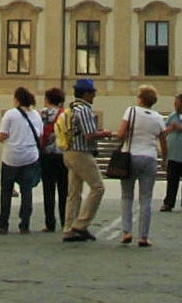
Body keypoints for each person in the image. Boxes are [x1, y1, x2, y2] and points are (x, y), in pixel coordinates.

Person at [113, 84, 168, 247]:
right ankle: (143, 236)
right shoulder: (158, 117)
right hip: (149, 157)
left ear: (140, 98)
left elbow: (121, 133)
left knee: (127, 196)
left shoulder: (131, 111)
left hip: (130, 157)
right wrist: (164, 159)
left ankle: (127, 231)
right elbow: (163, 141)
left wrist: (122, 140)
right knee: (146, 198)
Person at [0, 87, 45, 233]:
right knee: (27, 191)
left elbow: (1, 136)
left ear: (17, 99)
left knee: (6, 191)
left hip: (11, 157)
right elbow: (40, 137)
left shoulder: (10, 114)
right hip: (30, 156)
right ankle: (24, 225)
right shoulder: (36, 116)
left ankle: (3, 224)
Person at [58, 78, 106, 242]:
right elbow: (89, 135)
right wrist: (104, 134)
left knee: (74, 192)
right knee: (98, 187)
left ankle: (69, 229)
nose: (94, 96)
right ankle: (81, 224)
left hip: (68, 152)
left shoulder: (71, 109)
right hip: (81, 152)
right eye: (92, 93)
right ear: (86, 94)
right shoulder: (84, 110)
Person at [36, 87, 68, 233]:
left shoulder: (42, 114)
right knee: (63, 190)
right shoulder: (66, 114)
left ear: (47, 99)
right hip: (62, 154)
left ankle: (50, 223)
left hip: (47, 155)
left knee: (48, 190)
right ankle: (65, 221)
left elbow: (39, 133)